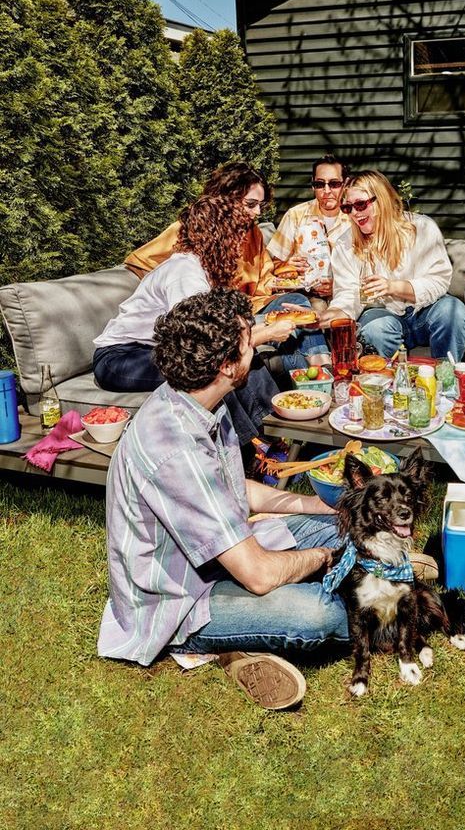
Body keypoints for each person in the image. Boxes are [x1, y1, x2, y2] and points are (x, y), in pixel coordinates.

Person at [98, 289, 347, 710]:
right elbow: (260, 575)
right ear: (228, 365)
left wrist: (320, 508)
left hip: (222, 554)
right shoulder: (178, 448)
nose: (257, 345)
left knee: (344, 523)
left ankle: (358, 556)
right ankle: (219, 645)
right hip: (179, 601)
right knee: (324, 613)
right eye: (250, 341)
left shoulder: (199, 400)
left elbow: (237, 490)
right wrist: (323, 555)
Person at [94, 193, 322, 444]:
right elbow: (208, 343)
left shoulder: (205, 269)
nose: (239, 246)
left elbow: (224, 327)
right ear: (218, 239)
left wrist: (268, 323)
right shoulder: (185, 272)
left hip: (159, 349)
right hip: (121, 359)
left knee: (241, 359)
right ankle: (260, 446)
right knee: (221, 367)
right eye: (235, 237)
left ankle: (280, 435)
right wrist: (268, 333)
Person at [122, 161, 331, 375]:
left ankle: (324, 370)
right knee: (285, 333)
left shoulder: (253, 233)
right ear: (227, 199)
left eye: (261, 204)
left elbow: (264, 276)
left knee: (297, 305)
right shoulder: (194, 229)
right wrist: (168, 298)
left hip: (253, 304)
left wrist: (286, 277)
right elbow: (140, 261)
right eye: (251, 204)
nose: (258, 212)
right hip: (221, 316)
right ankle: (306, 387)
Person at [319, 170, 465, 360]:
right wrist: (329, 315)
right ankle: (384, 384)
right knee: (375, 329)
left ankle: (447, 381)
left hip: (427, 310)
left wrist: (393, 287)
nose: (355, 214)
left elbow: (439, 281)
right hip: (382, 314)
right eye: (348, 208)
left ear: (381, 200)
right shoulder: (345, 243)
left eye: (360, 204)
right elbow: (348, 294)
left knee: (452, 311)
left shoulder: (421, 228)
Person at [266, 153, 352, 309]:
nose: (326, 191)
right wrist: (287, 265)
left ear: (345, 184)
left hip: (347, 294)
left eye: (334, 184)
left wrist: (338, 285)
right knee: (315, 310)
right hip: (307, 296)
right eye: (319, 184)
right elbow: (270, 265)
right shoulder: (296, 215)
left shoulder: (356, 215)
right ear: (313, 186)